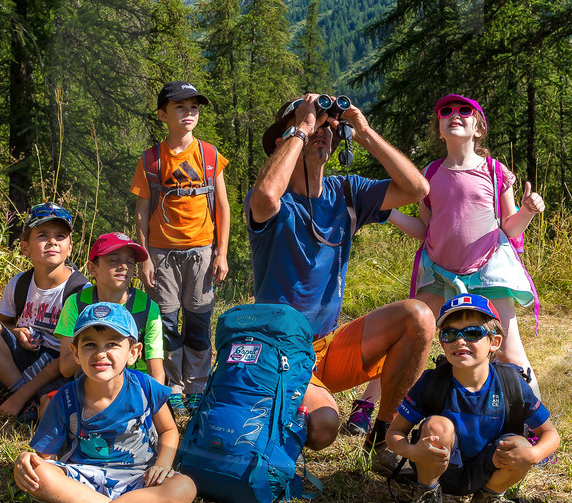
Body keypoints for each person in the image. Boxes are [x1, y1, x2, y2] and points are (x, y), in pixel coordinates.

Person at [246, 92, 433, 464]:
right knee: (324, 427)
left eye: (330, 126)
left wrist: (364, 133)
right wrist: (302, 125)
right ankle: (273, 400)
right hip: (279, 347)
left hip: (329, 345)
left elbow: (417, 189)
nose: (323, 130)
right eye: (314, 123)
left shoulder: (348, 191)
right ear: (287, 137)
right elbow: (266, 195)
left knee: (419, 317)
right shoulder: (274, 197)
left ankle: (383, 439)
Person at [349, 93, 546, 438]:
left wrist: (527, 210)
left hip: (488, 270)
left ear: (478, 128)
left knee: (510, 350)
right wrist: (388, 213)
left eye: (464, 110)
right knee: (409, 339)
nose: (455, 115)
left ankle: (536, 427)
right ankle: (369, 405)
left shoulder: (496, 172)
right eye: (446, 112)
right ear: (439, 129)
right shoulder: (431, 174)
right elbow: (425, 230)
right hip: (439, 272)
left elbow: (508, 228)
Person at [14, 302, 196, 503]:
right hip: (83, 479)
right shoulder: (64, 399)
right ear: (75, 354)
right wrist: (28, 461)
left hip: (139, 479)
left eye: (112, 344)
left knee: (185, 487)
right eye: (90, 345)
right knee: (38, 474)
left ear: (133, 352)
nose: (100, 353)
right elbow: (45, 459)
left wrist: (163, 464)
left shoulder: (145, 387)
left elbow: (168, 430)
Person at [384, 294, 560, 503]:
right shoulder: (432, 383)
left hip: (490, 468)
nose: (460, 340)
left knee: (519, 443)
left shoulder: (511, 384)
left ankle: (487, 501)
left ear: (495, 342)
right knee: (437, 426)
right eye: (449, 333)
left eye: (473, 333)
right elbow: (394, 433)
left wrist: (533, 454)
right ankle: (426, 496)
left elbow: (550, 433)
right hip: (437, 468)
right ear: (442, 342)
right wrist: (413, 451)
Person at [132, 81, 230, 419]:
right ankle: (172, 386)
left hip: (202, 252)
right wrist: (143, 257)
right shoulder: (151, 159)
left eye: (194, 108)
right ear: (163, 115)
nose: (189, 113)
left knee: (200, 321)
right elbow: (142, 212)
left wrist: (222, 253)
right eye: (180, 107)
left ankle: (197, 386)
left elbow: (223, 208)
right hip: (161, 254)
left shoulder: (210, 155)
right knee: (167, 323)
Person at [0, 203, 86, 424]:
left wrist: (20, 396)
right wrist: (16, 331)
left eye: (60, 236)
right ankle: (24, 396)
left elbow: (74, 358)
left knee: (51, 413)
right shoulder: (19, 283)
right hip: (23, 359)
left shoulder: (79, 291)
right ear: (25, 248)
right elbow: (4, 324)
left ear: (70, 247)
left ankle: (21, 396)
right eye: (42, 235)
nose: (53, 241)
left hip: (59, 368)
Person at [49, 232, 166, 388]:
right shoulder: (77, 303)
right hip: (89, 382)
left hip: (135, 385)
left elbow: (156, 370)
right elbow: (66, 368)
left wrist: (153, 402)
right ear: (92, 268)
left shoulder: (147, 308)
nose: (123, 267)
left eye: (130, 262)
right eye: (113, 260)